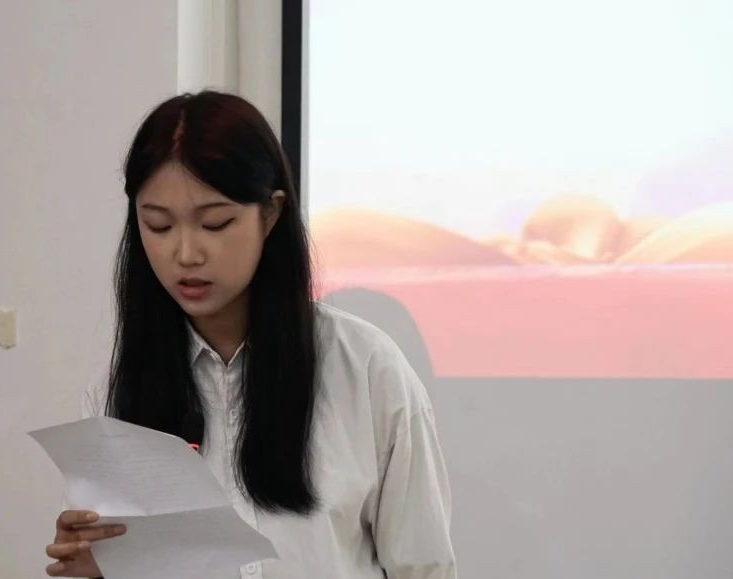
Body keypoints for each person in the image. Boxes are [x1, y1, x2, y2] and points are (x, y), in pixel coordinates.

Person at [45, 91, 456, 578]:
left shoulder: (366, 370)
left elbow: (424, 567)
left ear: (271, 213)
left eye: (215, 223)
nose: (186, 253)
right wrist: (98, 569)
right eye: (158, 226)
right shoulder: (114, 393)